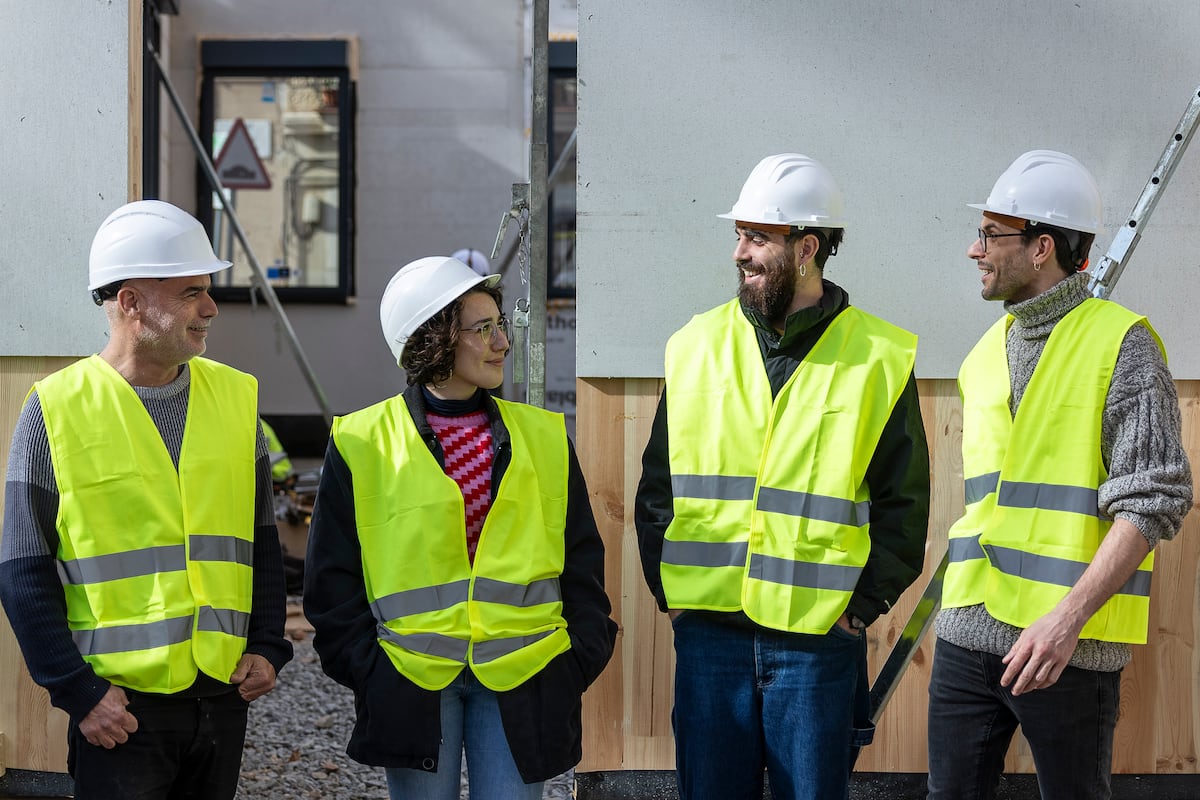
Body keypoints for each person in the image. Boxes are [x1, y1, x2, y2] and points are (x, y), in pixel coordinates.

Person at [634, 153, 931, 800]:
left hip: (817, 641)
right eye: (739, 235)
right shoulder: (693, 345)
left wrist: (860, 609)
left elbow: (904, 504)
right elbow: (657, 488)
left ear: (808, 249)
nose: (740, 252)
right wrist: (671, 592)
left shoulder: (877, 357)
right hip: (709, 635)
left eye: (758, 237)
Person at [0, 199, 293, 799]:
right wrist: (78, 693)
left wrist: (267, 644)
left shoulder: (237, 399)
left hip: (222, 697)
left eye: (207, 291)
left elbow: (261, 540)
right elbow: (20, 571)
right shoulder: (55, 408)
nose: (210, 308)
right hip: (119, 709)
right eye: (190, 293)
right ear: (130, 302)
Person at [927, 150, 1192, 800]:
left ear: (1042, 246)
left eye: (992, 234)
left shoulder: (1122, 344)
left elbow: (1152, 501)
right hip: (967, 631)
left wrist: (1066, 620)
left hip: (1067, 648)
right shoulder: (985, 352)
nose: (974, 249)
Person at [303, 256, 617, 800]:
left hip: (526, 674)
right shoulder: (361, 441)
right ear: (434, 339)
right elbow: (332, 577)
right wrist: (369, 669)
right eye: (484, 328)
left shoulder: (542, 437)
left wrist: (576, 659)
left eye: (501, 326)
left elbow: (582, 562)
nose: (502, 342)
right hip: (410, 678)